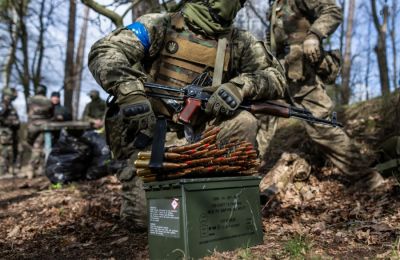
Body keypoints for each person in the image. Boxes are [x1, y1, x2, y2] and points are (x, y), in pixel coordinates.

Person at [88, 0, 286, 230]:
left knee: (244, 121)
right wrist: (129, 90)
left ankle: (225, 199)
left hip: (202, 139)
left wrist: (241, 86)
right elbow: (105, 51)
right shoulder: (160, 24)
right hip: (152, 136)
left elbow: (276, 77)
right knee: (146, 221)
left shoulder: (240, 41)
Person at [262, 0, 383, 193]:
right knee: (258, 114)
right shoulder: (274, 4)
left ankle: (366, 177)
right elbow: (274, 42)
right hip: (281, 73)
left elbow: (333, 10)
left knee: (322, 127)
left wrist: (314, 35)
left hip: (302, 73)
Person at [27, 85, 53, 179]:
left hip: (32, 126)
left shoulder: (30, 99)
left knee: (34, 146)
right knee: (38, 147)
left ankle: (34, 169)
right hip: (43, 126)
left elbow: (28, 110)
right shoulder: (48, 100)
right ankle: (34, 168)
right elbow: (51, 113)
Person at [0, 88, 20, 175]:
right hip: (5, 133)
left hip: (12, 132)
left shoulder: (10, 106)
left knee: (11, 151)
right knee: (5, 152)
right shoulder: (3, 105)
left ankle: (9, 170)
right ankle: (3, 172)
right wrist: (8, 123)